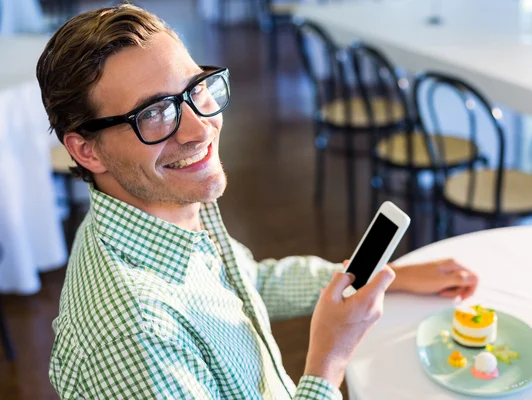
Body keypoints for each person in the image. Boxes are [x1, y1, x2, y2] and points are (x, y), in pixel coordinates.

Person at [37, 5, 478, 399]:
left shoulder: (165, 206)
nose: (200, 129)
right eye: (153, 113)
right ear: (86, 150)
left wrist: (377, 277)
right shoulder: (135, 339)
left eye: (196, 89)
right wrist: (327, 363)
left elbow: (245, 282)